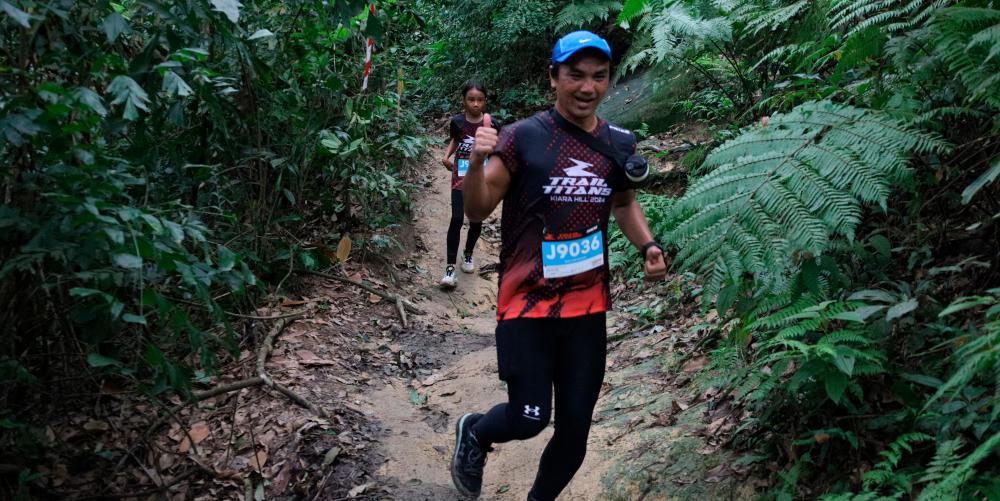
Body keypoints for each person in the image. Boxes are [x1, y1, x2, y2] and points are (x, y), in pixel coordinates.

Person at [449, 31, 668, 500]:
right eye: (575, 75)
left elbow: (624, 204)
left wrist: (647, 245)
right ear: (553, 78)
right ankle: (476, 431)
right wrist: (477, 161)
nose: (587, 87)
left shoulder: (619, 142)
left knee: (574, 434)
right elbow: (477, 210)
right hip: (526, 303)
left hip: (587, 308)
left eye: (598, 77)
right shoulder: (524, 137)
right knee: (529, 418)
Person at [439, 80, 501, 289]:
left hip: (481, 179)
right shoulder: (457, 122)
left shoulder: (492, 124)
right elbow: (456, 140)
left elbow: (496, 149)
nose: (475, 104)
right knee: (457, 218)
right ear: (464, 101)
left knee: (475, 219)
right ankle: (449, 268)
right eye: (471, 99)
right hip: (459, 176)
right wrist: (447, 156)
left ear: (485, 101)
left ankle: (468, 254)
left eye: (480, 100)